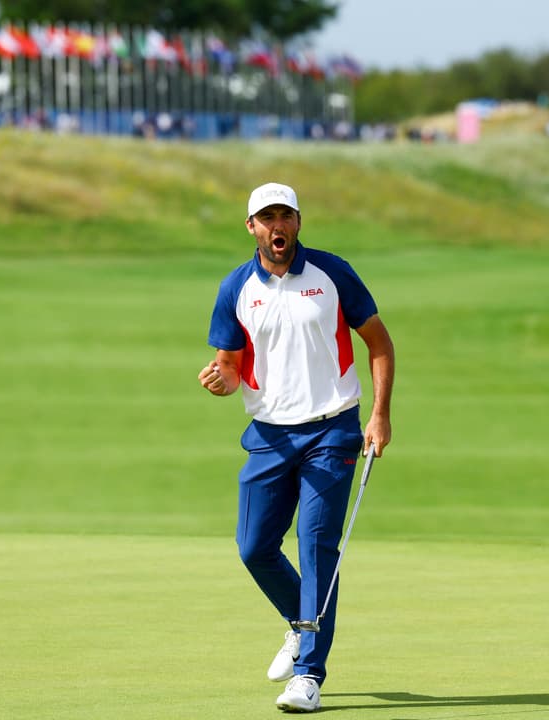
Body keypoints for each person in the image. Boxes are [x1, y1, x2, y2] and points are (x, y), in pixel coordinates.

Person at [198, 182, 394, 712]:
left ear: (298, 223)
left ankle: (309, 673)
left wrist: (378, 414)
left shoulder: (332, 274)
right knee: (254, 547)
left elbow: (378, 342)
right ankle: (297, 621)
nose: (276, 226)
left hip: (332, 430)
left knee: (315, 545)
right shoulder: (236, 287)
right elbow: (232, 366)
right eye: (267, 218)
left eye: (285, 216)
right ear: (251, 228)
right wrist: (222, 379)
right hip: (267, 436)